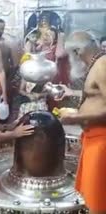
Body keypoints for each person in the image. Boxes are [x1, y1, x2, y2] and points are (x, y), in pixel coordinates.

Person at [56, 31, 106, 214]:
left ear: (77, 51)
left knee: (98, 199)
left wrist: (74, 118)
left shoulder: (102, 65)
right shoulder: (97, 64)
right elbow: (98, 96)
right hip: (92, 138)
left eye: (71, 55)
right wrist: (72, 93)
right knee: (92, 195)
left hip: (102, 142)